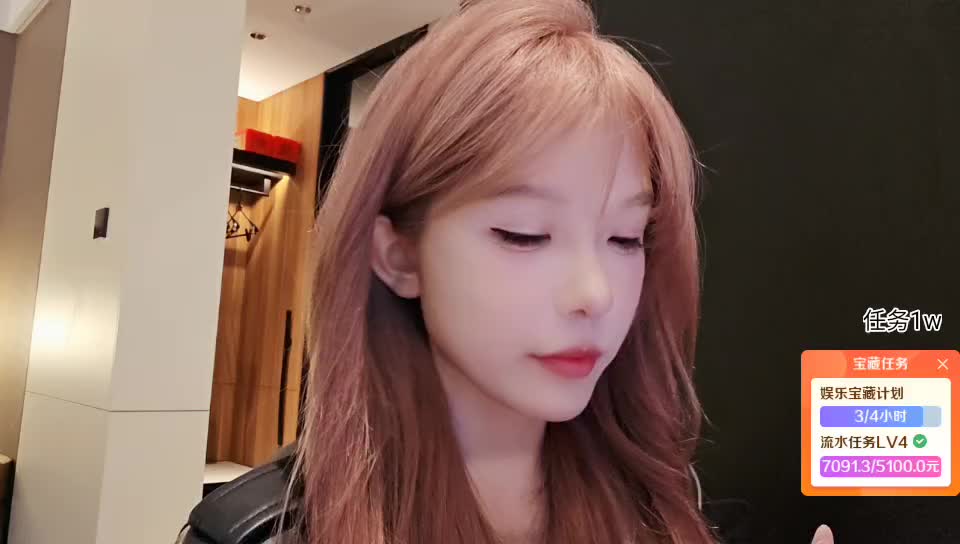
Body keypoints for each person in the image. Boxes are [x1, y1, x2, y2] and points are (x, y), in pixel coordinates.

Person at [181, 0, 835, 542]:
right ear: (397, 254)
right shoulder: (265, 533)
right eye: (524, 234)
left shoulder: (659, 504)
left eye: (625, 237)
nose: (595, 294)